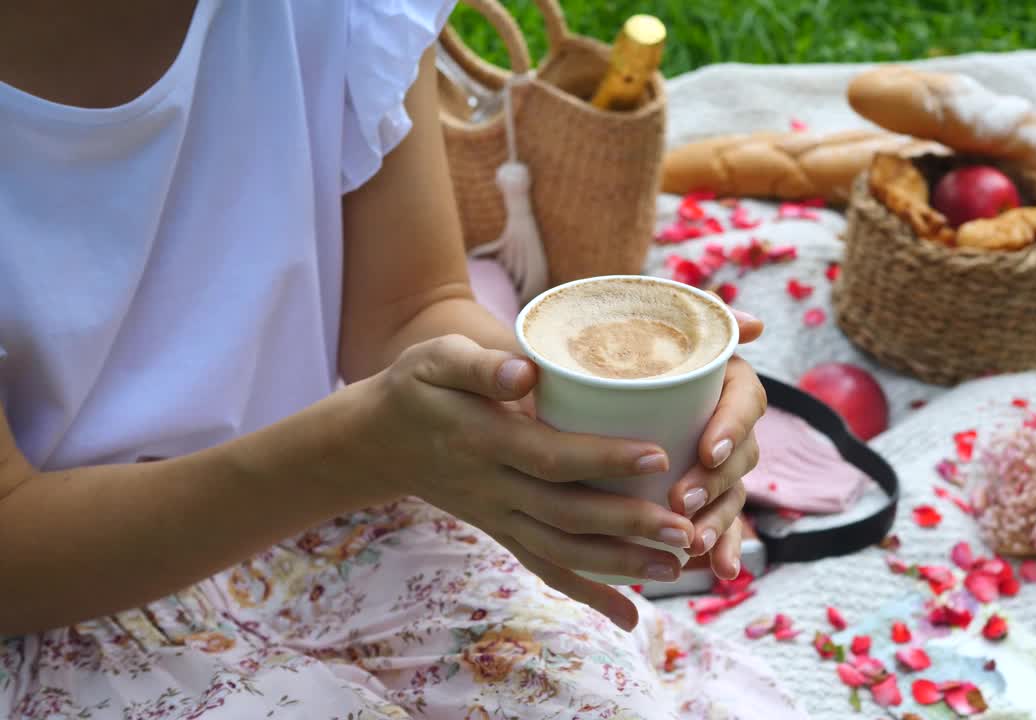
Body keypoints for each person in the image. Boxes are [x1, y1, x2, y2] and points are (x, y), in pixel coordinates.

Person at [0, 1, 806, 718]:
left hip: (338, 515)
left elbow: (408, 311)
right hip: (69, 587)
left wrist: (609, 403)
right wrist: (351, 453)